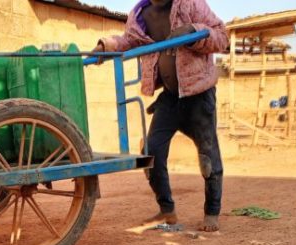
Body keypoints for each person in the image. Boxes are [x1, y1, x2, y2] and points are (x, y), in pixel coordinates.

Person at [92, 0, 228, 231]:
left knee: (208, 155)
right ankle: (167, 210)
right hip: (170, 97)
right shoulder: (140, 14)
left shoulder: (190, 3)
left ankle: (212, 212)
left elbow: (222, 37)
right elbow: (129, 41)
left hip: (199, 94)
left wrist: (194, 32)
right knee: (152, 151)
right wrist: (105, 46)